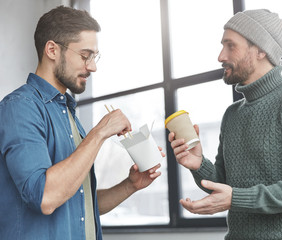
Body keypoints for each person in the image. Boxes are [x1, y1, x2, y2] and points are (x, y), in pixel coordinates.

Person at [168, 9, 282, 239]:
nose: (220, 56)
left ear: (261, 50)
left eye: (231, 46)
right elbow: (226, 187)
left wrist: (236, 198)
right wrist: (198, 164)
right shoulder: (232, 114)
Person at [0, 5, 162, 240]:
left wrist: (130, 185)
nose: (93, 66)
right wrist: (99, 134)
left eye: (95, 57)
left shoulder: (68, 113)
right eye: (85, 56)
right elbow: (45, 197)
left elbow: (80, 205)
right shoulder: (20, 107)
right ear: (52, 50)